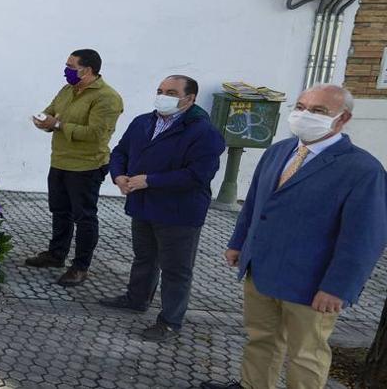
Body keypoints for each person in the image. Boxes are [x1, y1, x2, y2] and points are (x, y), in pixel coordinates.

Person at [200, 84, 387, 389]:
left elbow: (364, 238)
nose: (304, 115)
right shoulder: (279, 151)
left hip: (311, 285)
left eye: (317, 111)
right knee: (261, 342)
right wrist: (238, 243)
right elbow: (255, 203)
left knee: (306, 355)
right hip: (260, 272)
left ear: (342, 119)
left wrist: (338, 288)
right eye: (300, 106)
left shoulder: (363, 170)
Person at [101, 75, 226, 341]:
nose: (163, 96)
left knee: (176, 269)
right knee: (144, 257)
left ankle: (170, 322)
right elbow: (120, 151)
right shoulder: (143, 122)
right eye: (160, 90)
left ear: (189, 99)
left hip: (178, 211)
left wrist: (150, 180)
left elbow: (198, 174)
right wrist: (118, 175)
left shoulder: (203, 132)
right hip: (143, 205)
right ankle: (137, 298)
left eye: (171, 92)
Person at [26, 49, 124, 287]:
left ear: (88, 70)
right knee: (60, 211)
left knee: (84, 217)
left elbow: (96, 134)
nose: (66, 69)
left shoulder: (107, 97)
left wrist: (57, 124)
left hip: (86, 165)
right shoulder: (68, 89)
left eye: (71, 66)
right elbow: (51, 111)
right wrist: (44, 121)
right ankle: (56, 254)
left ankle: (81, 266)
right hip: (60, 160)